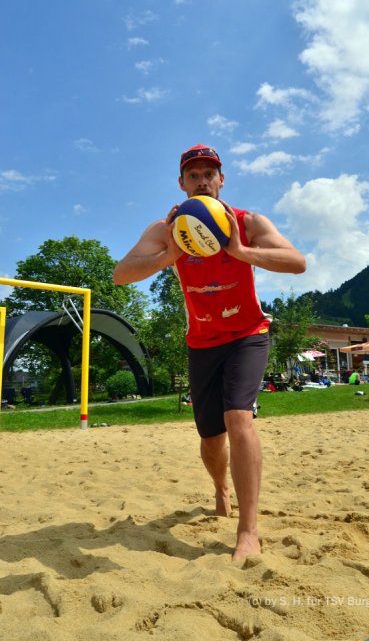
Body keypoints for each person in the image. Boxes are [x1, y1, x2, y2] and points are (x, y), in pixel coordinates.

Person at [113, 143, 306, 562]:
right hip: (201, 341)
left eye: (209, 173)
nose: (202, 180)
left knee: (238, 417)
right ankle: (220, 488)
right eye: (193, 174)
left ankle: (248, 530)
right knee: (210, 435)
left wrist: (242, 253)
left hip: (248, 333)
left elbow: (296, 262)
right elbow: (121, 275)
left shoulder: (247, 222)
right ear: (182, 184)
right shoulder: (166, 230)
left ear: (222, 179)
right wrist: (169, 256)